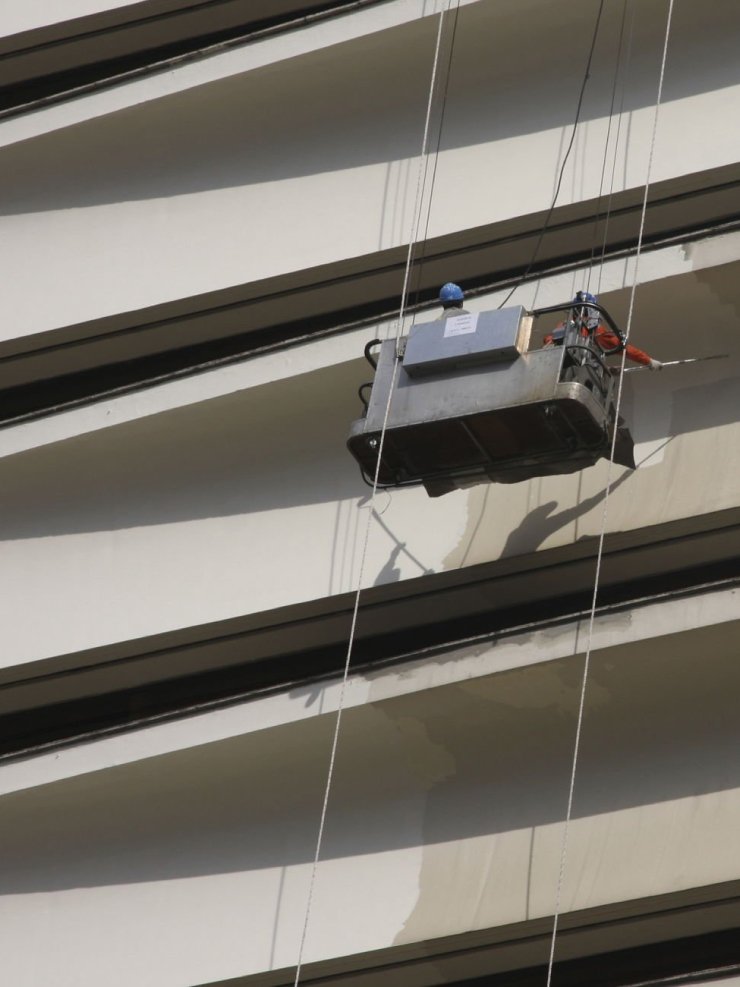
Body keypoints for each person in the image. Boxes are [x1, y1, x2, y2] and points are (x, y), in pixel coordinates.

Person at [544, 291, 663, 369]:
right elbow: (622, 347)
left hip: (559, 367)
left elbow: (548, 342)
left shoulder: (565, 325)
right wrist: (648, 361)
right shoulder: (594, 330)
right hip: (576, 370)